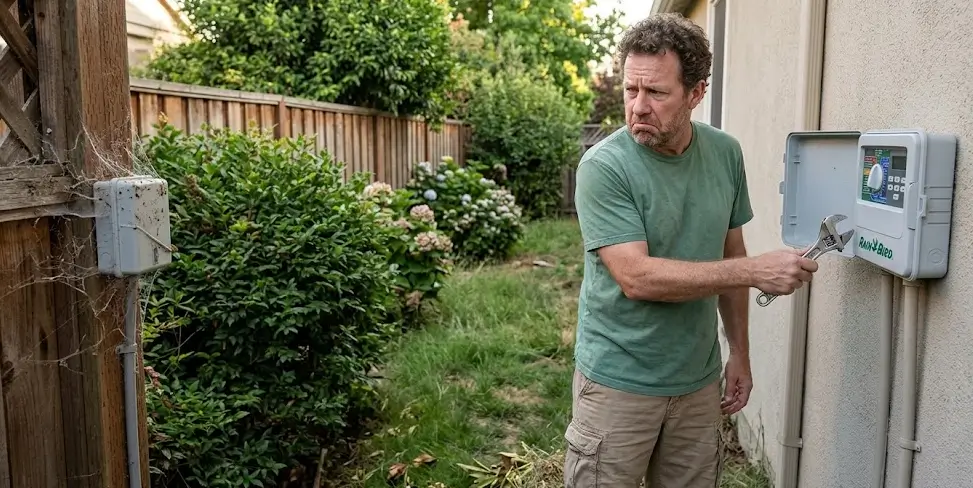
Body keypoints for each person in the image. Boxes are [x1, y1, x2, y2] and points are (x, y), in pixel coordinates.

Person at [564, 13, 819, 488]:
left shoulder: (724, 154)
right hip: (618, 382)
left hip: (697, 381)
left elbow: (731, 247)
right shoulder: (604, 168)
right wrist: (751, 271)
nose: (638, 106)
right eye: (630, 90)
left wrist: (739, 351)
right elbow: (636, 278)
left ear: (696, 93)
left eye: (656, 93)